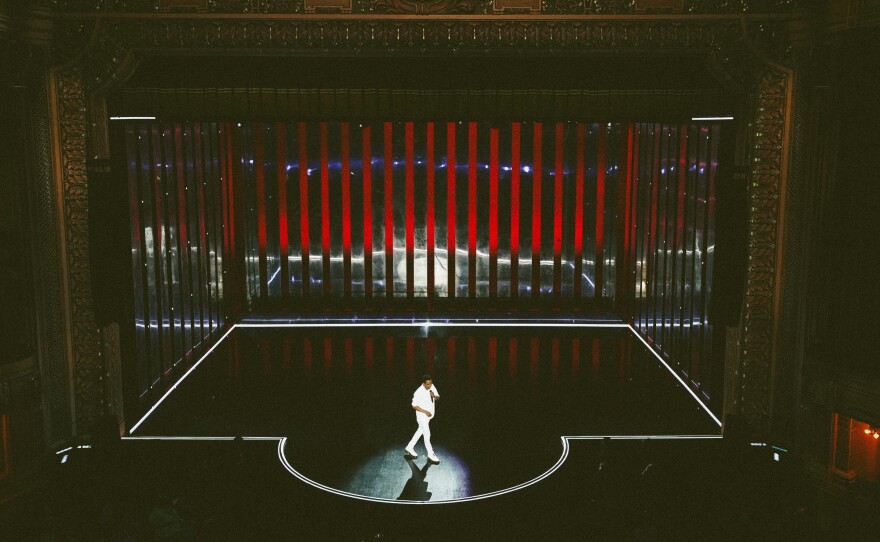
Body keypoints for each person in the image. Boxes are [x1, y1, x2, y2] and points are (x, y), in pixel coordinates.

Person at [405, 374, 440, 463]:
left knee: (420, 431)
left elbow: (438, 397)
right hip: (422, 416)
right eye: (428, 384)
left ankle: (409, 447)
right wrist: (425, 411)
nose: (430, 385)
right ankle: (430, 453)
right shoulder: (418, 392)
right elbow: (414, 406)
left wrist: (434, 396)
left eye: (430, 384)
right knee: (427, 434)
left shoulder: (431, 385)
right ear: (423, 384)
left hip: (429, 416)